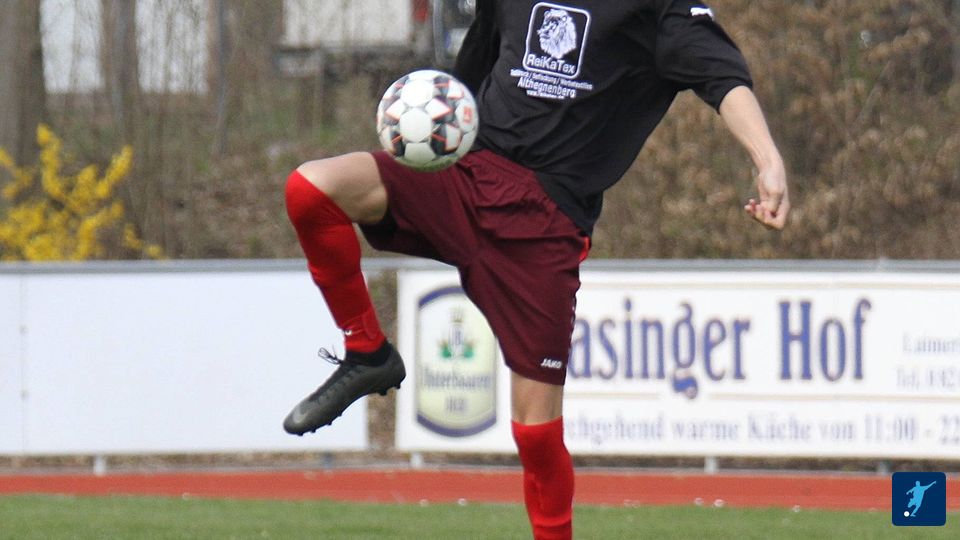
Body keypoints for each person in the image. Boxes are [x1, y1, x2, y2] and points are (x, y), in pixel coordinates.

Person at [281, 1, 789, 538]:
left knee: (536, 432)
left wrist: (768, 159)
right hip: (463, 175)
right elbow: (473, 68)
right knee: (311, 190)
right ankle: (367, 352)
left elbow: (724, 80)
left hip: (544, 225)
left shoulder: (657, 9)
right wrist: (435, 119)